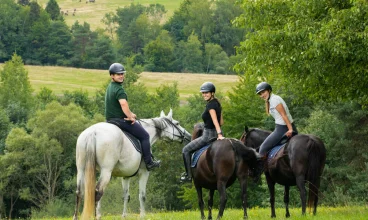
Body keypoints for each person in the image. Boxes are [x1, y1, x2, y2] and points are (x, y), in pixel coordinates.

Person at [105, 63, 161, 171]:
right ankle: (149, 163)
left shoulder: (110, 87)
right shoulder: (119, 90)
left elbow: (119, 106)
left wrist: (131, 114)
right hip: (120, 121)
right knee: (145, 136)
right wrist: (130, 117)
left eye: (122, 74)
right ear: (112, 75)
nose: (121, 76)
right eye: (118, 74)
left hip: (109, 120)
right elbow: (123, 105)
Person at [180, 82, 224, 182]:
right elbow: (222, 122)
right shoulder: (217, 103)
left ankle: (188, 176)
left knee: (186, 150)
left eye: (206, 93)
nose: (204, 95)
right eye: (203, 93)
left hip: (208, 136)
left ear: (212, 93)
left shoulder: (210, 106)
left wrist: (219, 134)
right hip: (214, 132)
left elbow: (215, 121)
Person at [255, 82, 298, 163]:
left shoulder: (274, 100)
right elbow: (268, 113)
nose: (262, 95)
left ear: (269, 90)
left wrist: (290, 129)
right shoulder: (270, 100)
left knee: (262, 149)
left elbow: (284, 115)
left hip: (282, 128)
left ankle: (261, 171)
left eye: (263, 92)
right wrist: (266, 101)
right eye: (260, 94)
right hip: (284, 126)